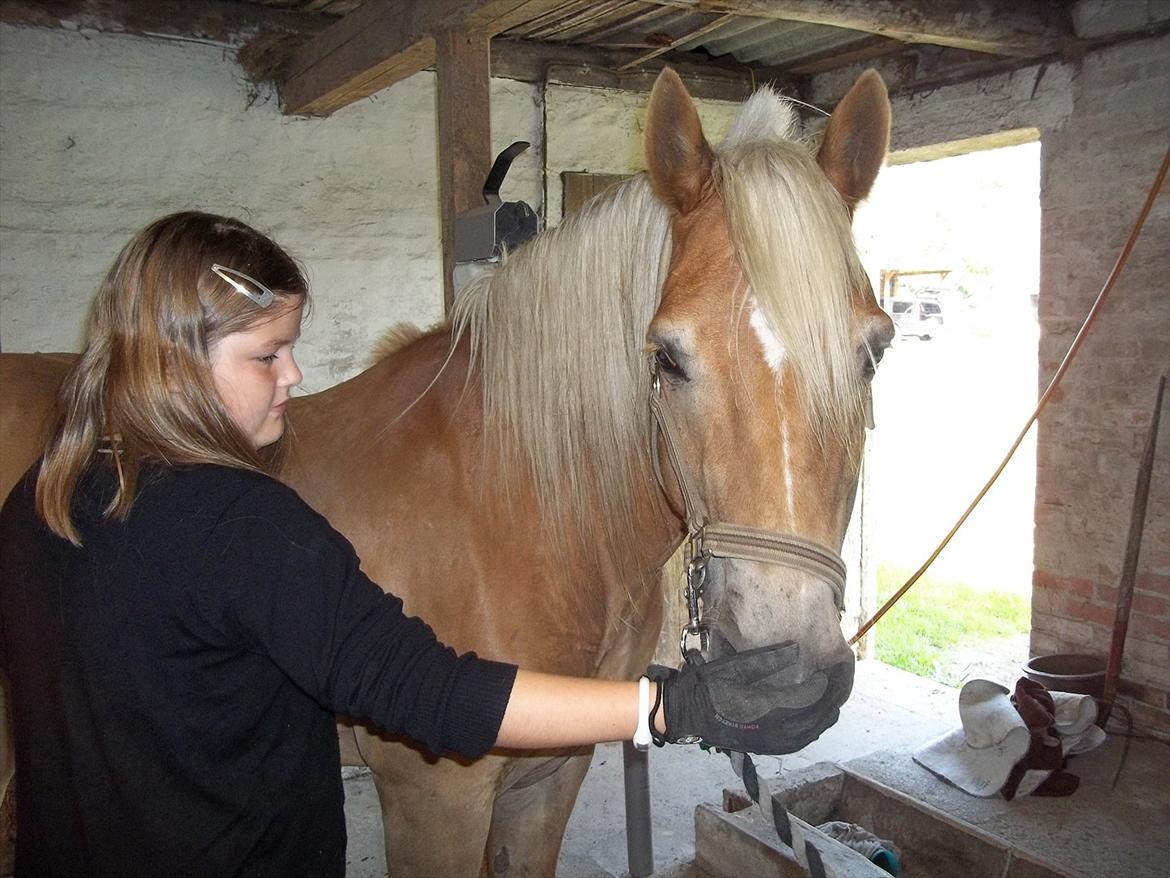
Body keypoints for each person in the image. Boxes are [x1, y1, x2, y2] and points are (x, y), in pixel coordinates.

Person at [0, 212, 803, 877]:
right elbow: (432, 691)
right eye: (267, 356)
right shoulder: (250, 527)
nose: (296, 376)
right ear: (172, 368)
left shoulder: (36, 498)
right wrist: (670, 708)